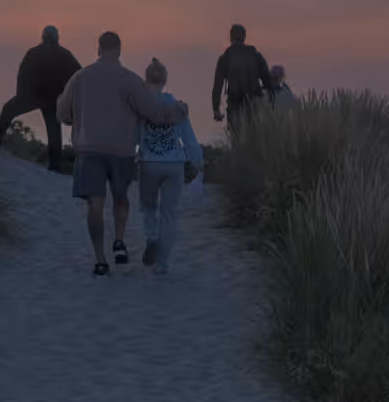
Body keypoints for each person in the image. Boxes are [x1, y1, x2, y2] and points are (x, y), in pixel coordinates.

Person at [57, 31, 185, 277]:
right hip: (121, 150)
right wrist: (179, 111)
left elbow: (63, 114)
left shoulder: (79, 78)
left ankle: (100, 260)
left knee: (95, 204)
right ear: (119, 50)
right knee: (120, 197)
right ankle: (119, 239)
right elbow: (154, 114)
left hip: (89, 148)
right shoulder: (131, 80)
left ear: (98, 49)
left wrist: (79, 116)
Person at [136, 58, 202, 275]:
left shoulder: (141, 106)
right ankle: (162, 264)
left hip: (149, 163)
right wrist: (197, 161)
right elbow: (189, 138)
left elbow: (133, 136)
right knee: (169, 214)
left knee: (148, 207)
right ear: (164, 80)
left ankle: (151, 237)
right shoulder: (177, 107)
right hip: (174, 164)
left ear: (146, 79)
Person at [0, 25, 82, 172]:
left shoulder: (37, 52)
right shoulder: (64, 54)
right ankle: (55, 165)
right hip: (48, 99)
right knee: (54, 132)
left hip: (35, 97)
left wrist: (21, 95)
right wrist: (68, 98)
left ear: (43, 37)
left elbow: (22, 73)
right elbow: (78, 76)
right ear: (57, 37)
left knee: (9, 110)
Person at [210, 23, 272, 135]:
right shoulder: (255, 55)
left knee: (236, 137)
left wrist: (216, 109)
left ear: (231, 37)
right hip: (254, 103)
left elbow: (218, 85)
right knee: (255, 136)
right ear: (244, 37)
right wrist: (270, 99)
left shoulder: (226, 57)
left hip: (235, 105)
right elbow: (267, 80)